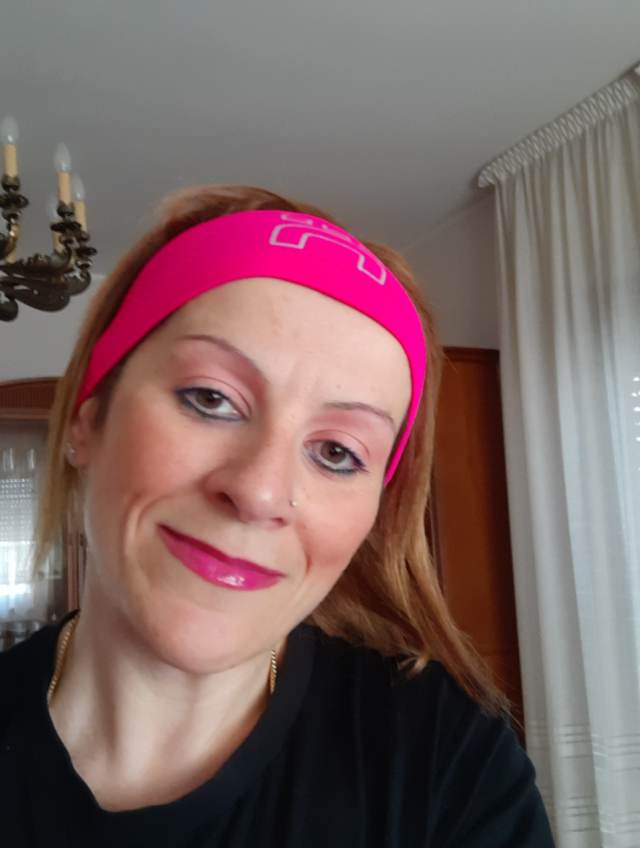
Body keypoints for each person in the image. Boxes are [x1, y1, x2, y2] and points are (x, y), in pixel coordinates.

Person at [0, 185, 555, 847]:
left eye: (336, 452)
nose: (260, 493)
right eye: (211, 398)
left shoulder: (448, 763)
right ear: (88, 419)